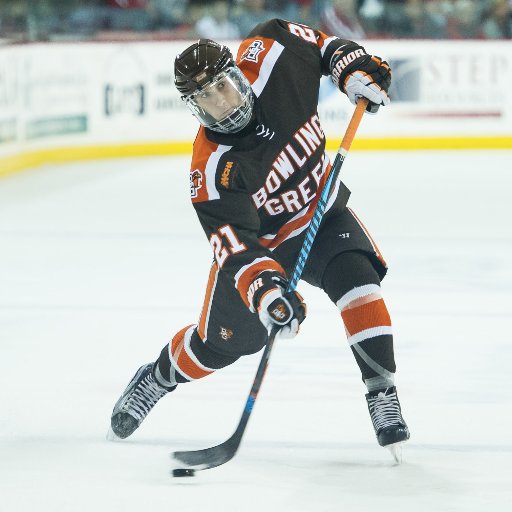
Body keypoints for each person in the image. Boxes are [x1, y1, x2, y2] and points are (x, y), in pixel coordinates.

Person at [108, 18, 410, 456]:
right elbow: (237, 248)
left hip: (318, 212)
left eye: (222, 86)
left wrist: (352, 69)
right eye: (205, 98)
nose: (221, 103)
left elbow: (326, 47)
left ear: (236, 73)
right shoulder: (211, 170)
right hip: (264, 251)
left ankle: (381, 391)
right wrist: (268, 293)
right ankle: (158, 377)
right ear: (194, 108)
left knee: (359, 281)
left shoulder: (272, 52)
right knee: (221, 347)